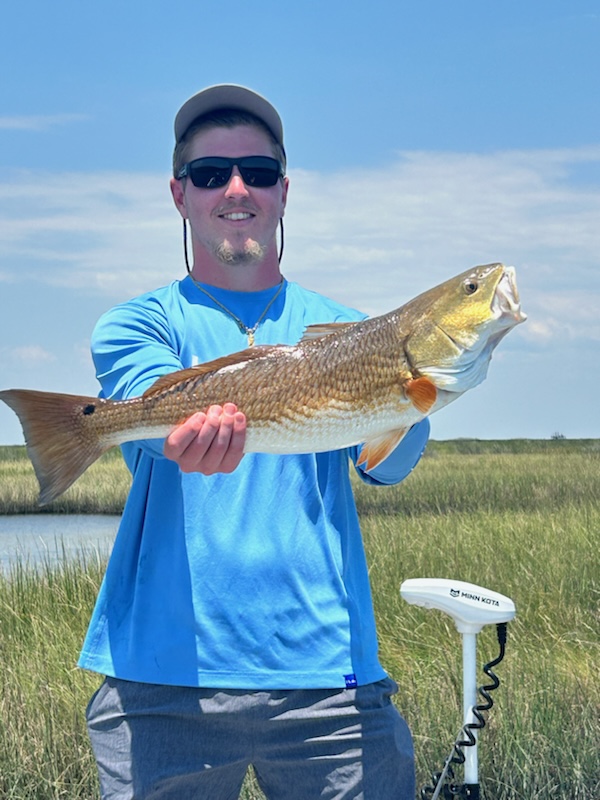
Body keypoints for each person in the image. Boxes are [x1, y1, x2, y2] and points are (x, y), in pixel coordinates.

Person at [81, 83, 430, 800]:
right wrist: (186, 431)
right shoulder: (137, 323)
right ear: (179, 194)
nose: (236, 189)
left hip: (329, 679)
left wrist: (417, 390)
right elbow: (156, 419)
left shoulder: (349, 331)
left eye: (259, 172)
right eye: (212, 173)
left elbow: (390, 466)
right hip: (160, 677)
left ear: (283, 192)